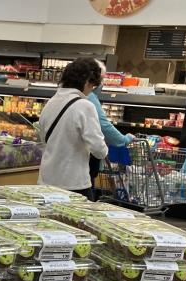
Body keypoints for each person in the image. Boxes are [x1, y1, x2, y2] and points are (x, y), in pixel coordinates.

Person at [36, 57, 108, 199]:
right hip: (73, 185)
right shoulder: (85, 106)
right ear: (87, 81)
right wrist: (105, 149)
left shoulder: (51, 102)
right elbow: (99, 150)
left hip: (46, 181)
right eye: (92, 85)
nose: (91, 90)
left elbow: (43, 138)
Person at [86, 60, 134, 199]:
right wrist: (124, 140)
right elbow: (104, 125)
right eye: (101, 79)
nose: (102, 83)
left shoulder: (63, 97)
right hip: (84, 162)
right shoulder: (89, 98)